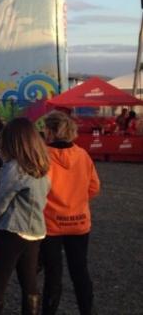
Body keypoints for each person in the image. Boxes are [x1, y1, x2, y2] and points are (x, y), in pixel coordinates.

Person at [0, 117, 50, 315]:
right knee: (30, 286)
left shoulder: (14, 167)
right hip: (35, 233)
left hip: (12, 231)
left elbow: (1, 199)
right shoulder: (42, 167)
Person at [41, 111, 100, 315]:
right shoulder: (82, 154)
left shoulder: (43, 155)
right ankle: (87, 310)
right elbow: (94, 187)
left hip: (51, 224)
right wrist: (76, 201)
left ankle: (48, 312)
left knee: (53, 274)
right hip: (79, 222)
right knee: (80, 271)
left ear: (50, 131)